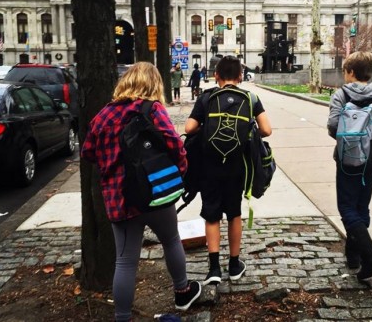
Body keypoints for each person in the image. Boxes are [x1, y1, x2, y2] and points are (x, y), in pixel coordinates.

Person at [81, 62, 201, 321]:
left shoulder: (102, 116)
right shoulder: (152, 109)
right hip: (156, 191)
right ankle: (182, 291)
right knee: (171, 240)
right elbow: (174, 145)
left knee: (125, 261)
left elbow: (88, 153)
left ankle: (122, 316)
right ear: (153, 84)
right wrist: (179, 173)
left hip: (119, 199)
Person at [184, 55, 272, 285]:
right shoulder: (251, 99)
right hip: (237, 167)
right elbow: (267, 130)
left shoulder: (207, 98)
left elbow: (189, 127)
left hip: (209, 166)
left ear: (216, 75)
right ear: (241, 77)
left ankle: (214, 268)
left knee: (211, 215)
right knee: (234, 214)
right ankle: (234, 264)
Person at [327, 51, 372, 283]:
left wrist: (349, 135)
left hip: (348, 156)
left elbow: (333, 125)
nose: (344, 75)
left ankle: (371, 256)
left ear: (352, 72)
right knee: (362, 204)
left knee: (346, 207)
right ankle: (354, 256)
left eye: (345, 71)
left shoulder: (341, 95)